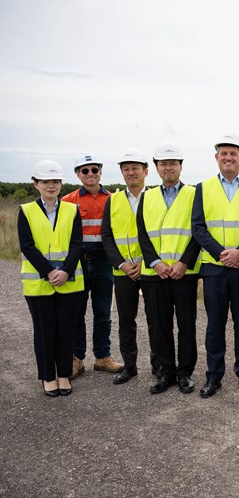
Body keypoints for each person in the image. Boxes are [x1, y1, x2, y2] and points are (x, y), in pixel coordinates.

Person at [192, 133, 239, 398]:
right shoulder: (204, 187)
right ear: (216, 158)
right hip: (215, 268)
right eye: (224, 153)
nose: (228, 158)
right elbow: (198, 227)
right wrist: (222, 254)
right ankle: (213, 376)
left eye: (233, 154)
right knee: (215, 325)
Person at [137, 141, 201, 394]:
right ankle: (166, 372)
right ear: (155, 168)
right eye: (163, 164)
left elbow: (198, 232)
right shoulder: (147, 196)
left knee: (186, 324)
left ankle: (185, 373)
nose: (168, 168)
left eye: (173, 163)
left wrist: (184, 263)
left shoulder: (195, 194)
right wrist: (156, 262)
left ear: (181, 166)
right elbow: (142, 234)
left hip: (183, 273)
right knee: (159, 325)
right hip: (155, 274)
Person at [19, 160, 84, 397]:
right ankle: (48, 377)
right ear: (36, 184)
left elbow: (77, 243)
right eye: (45, 181)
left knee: (66, 330)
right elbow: (27, 245)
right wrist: (49, 271)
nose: (51, 185)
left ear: (61, 183)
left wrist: (65, 270)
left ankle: (64, 375)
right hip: (39, 283)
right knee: (45, 331)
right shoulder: (26, 210)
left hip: (69, 281)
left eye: (55, 181)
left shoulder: (72, 209)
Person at [62, 153, 123, 377]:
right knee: (76, 313)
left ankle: (102, 357)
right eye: (84, 171)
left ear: (100, 172)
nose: (90, 174)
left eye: (94, 170)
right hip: (77, 265)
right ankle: (77, 359)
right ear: (78, 175)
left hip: (104, 264)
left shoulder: (113, 200)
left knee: (103, 313)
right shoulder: (68, 201)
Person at [101, 149, 158, 385]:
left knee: (156, 319)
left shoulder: (156, 198)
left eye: (135, 168)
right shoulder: (112, 200)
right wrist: (123, 264)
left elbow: (158, 235)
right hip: (123, 271)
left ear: (146, 171)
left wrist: (145, 261)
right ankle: (130, 366)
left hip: (151, 269)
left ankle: (159, 365)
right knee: (126, 320)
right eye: (126, 168)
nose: (130, 172)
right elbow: (106, 236)